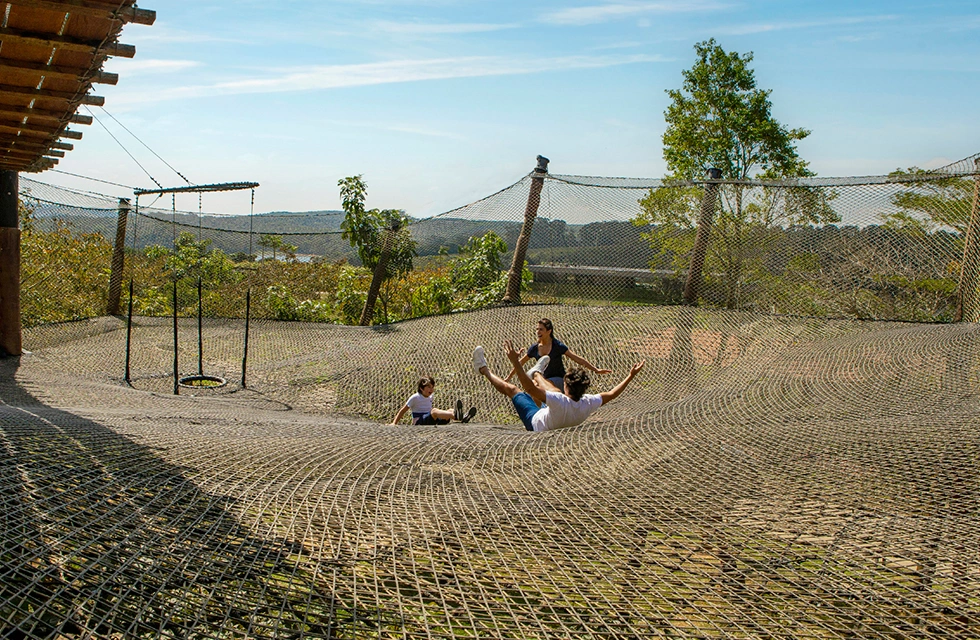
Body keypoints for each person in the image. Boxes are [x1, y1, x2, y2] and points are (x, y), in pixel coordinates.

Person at [475, 341, 645, 433]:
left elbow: (529, 389)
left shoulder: (560, 401)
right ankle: (536, 373)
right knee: (552, 392)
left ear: (566, 384)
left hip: (535, 423)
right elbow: (612, 393)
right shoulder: (587, 402)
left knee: (512, 390)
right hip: (555, 416)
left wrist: (515, 363)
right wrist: (630, 376)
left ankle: (483, 369)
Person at [505, 317, 612, 391]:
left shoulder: (557, 346)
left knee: (541, 384)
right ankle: (538, 413)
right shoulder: (534, 348)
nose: (538, 332)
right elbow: (520, 363)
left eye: (541, 329)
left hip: (559, 380)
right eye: (537, 329)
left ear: (549, 331)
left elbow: (577, 359)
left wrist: (596, 370)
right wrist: (508, 378)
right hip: (544, 381)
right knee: (534, 387)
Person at [391, 376, 476, 425]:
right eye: (428, 387)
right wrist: (394, 423)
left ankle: (462, 417)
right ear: (421, 388)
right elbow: (402, 411)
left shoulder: (430, 396)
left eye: (432, 387)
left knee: (449, 410)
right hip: (419, 423)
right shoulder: (415, 397)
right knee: (434, 411)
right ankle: (457, 416)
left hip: (430, 421)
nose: (431, 390)